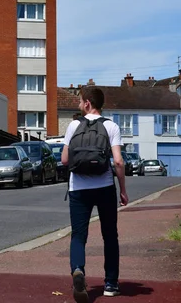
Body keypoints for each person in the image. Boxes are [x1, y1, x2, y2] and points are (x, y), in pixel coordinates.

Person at [61, 87, 129, 302]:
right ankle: (110, 284)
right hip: (105, 187)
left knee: (79, 235)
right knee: (110, 236)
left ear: (88, 103)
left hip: (78, 189)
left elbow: (64, 160)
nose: (79, 105)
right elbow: (118, 161)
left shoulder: (73, 125)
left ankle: (78, 270)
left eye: (80, 102)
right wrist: (123, 190)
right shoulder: (111, 126)